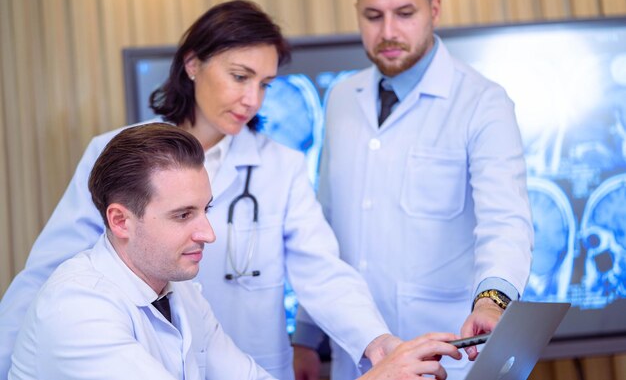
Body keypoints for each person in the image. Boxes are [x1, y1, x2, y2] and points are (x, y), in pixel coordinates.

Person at [0, 0, 397, 380]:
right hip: (142, 357)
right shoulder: (117, 154)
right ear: (192, 64)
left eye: (264, 85)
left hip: (248, 364)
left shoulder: (282, 166)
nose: (252, 100)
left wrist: (373, 339)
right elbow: (46, 275)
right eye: (240, 77)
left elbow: (322, 271)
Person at [8, 123, 462, 380]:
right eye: (183, 215)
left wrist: (382, 356)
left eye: (206, 210)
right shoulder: (79, 309)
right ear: (120, 220)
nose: (208, 233)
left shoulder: (180, 294)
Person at [292, 0, 534, 379]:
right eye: (373, 16)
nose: (387, 31)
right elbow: (325, 229)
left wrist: (492, 300)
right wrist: (307, 336)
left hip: (447, 360)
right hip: (359, 359)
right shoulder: (342, 99)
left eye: (405, 13)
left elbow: (506, 221)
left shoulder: (483, 102)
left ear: (434, 9)